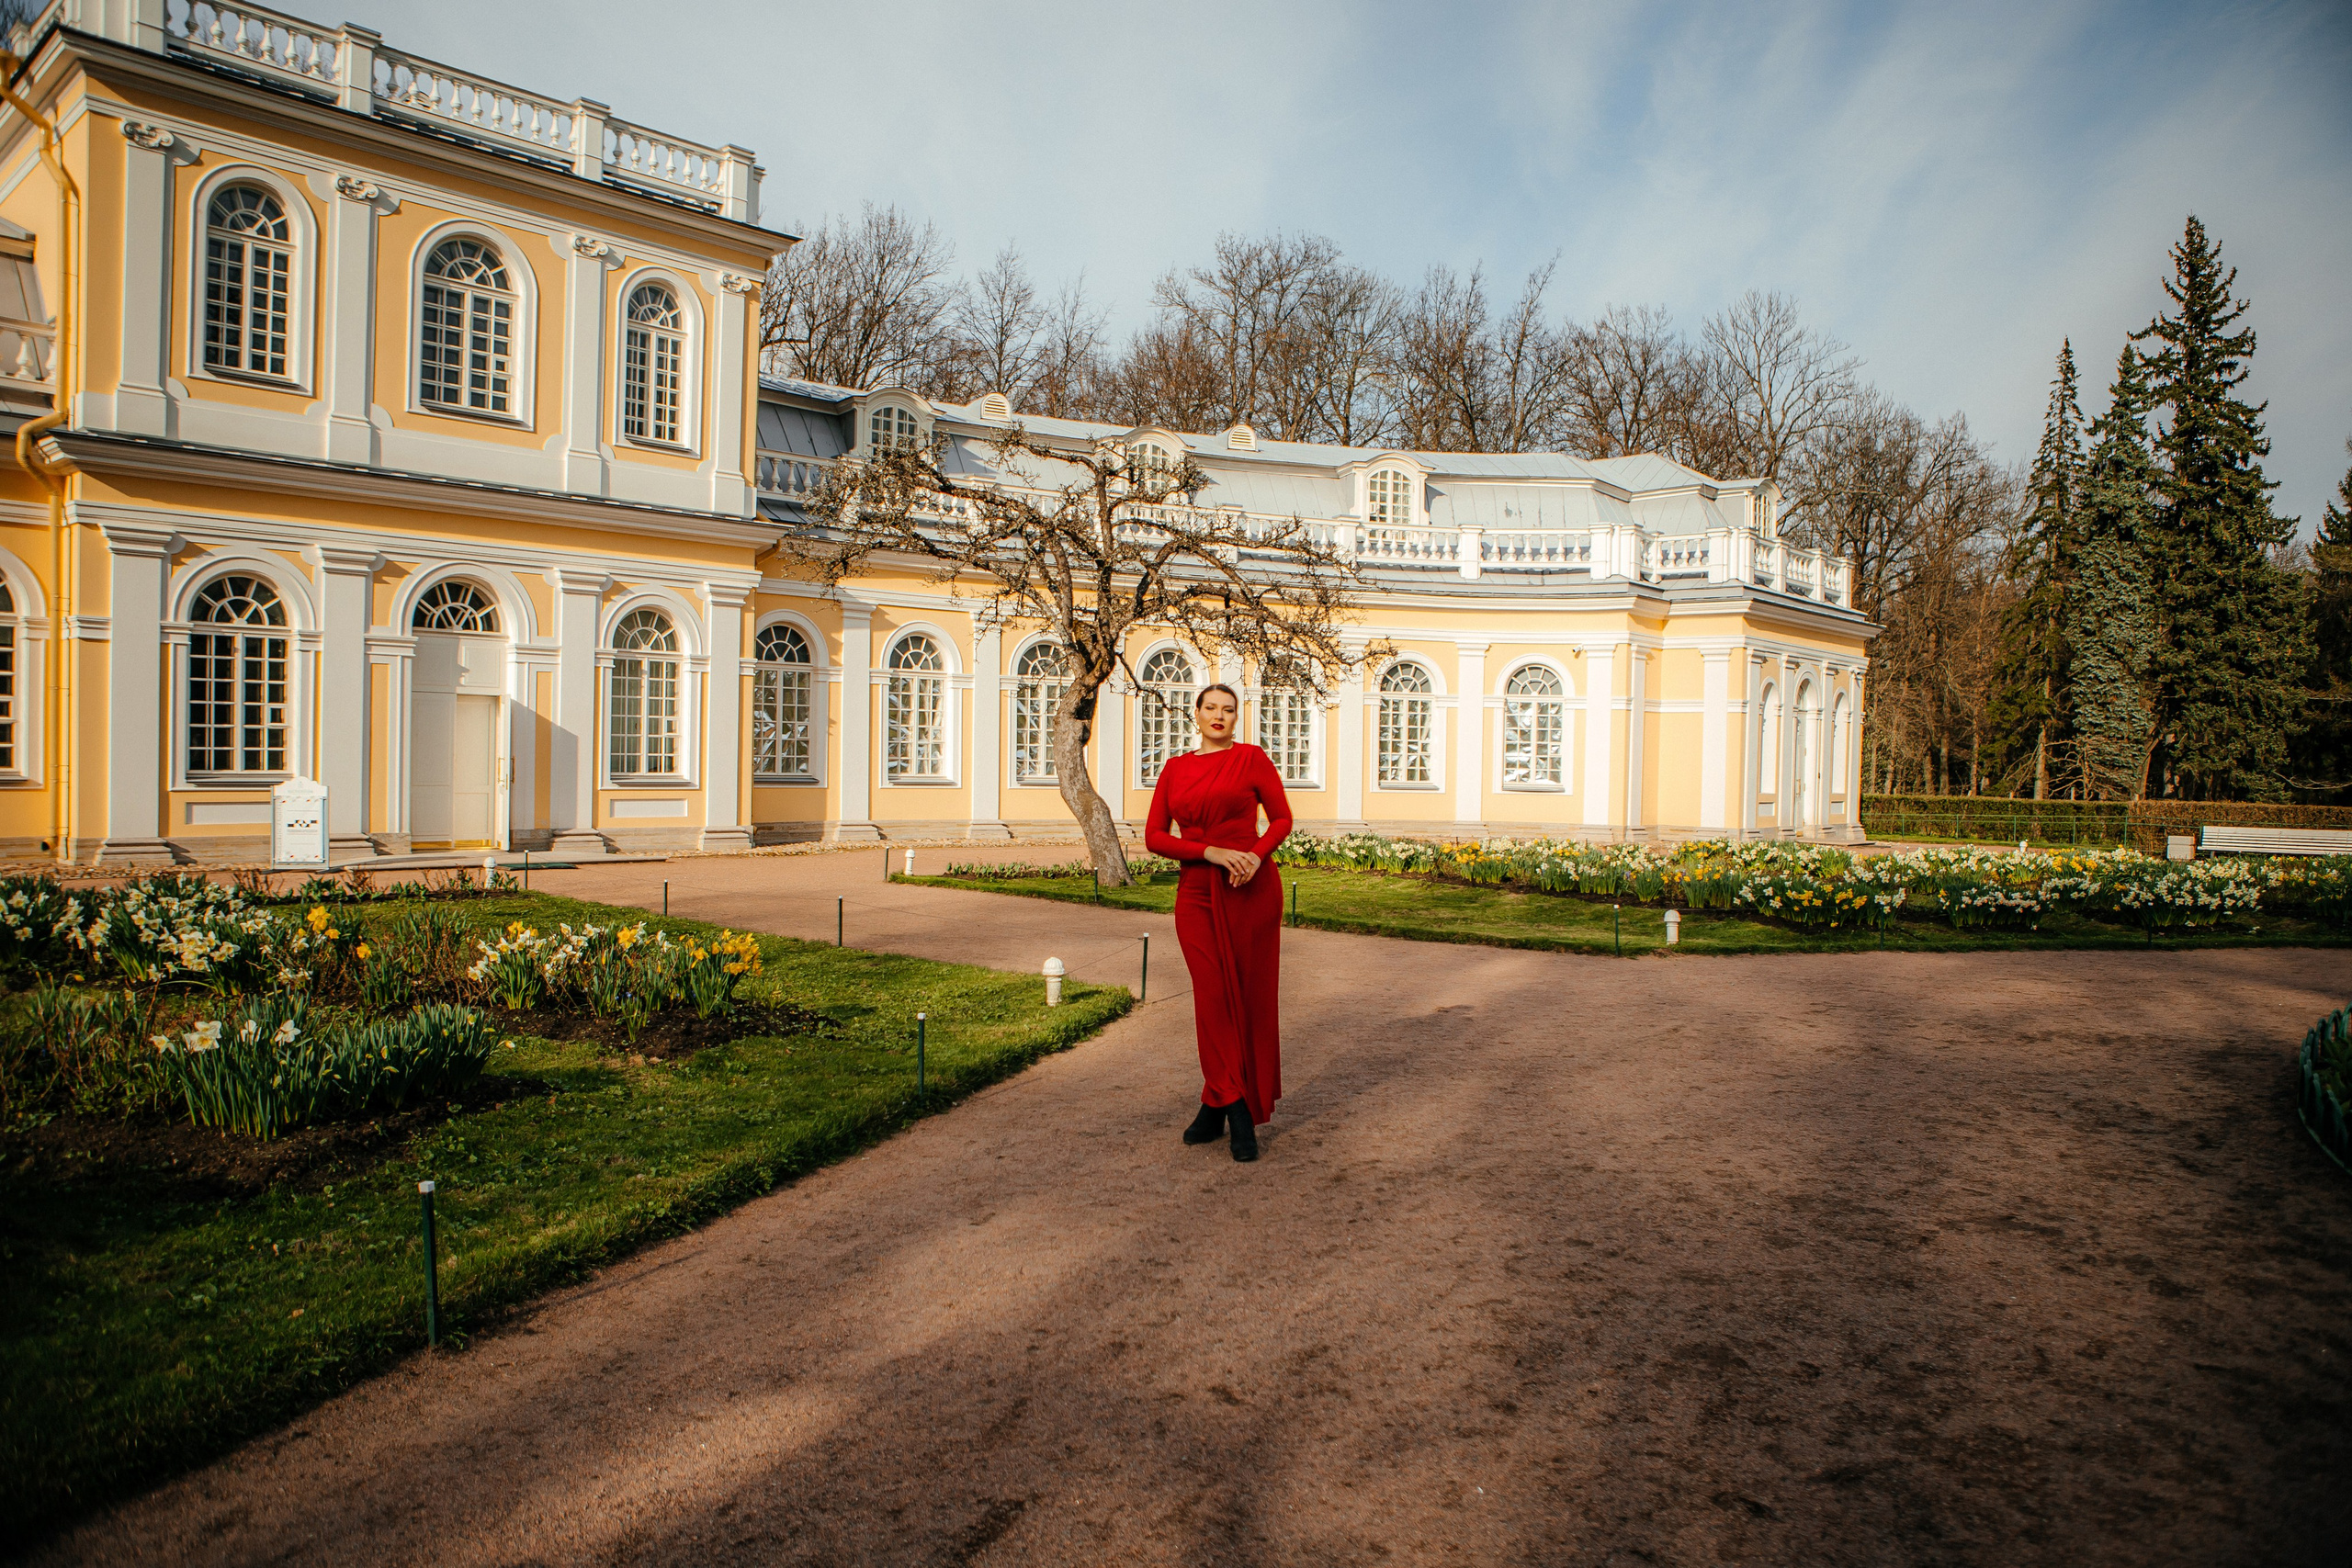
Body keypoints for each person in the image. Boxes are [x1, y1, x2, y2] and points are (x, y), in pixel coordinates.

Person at [1143, 682, 1293, 1162]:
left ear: (1235, 718)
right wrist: (1210, 851)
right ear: (1196, 713)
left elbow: (1282, 820)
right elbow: (1153, 837)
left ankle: (1216, 1102)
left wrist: (1252, 855)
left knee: (1246, 999)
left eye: (1228, 710)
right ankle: (1237, 1108)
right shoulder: (1175, 769)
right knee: (1212, 999)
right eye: (1211, 708)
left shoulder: (1252, 760)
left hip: (1249, 891)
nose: (1219, 716)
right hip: (1197, 895)